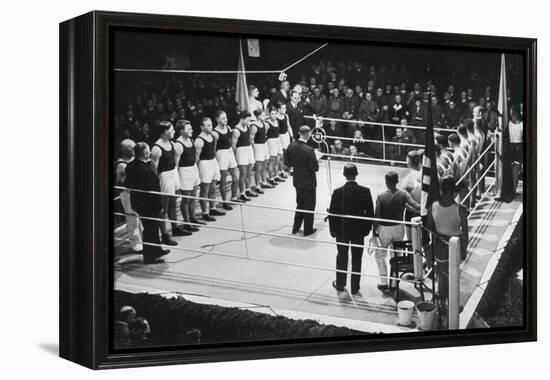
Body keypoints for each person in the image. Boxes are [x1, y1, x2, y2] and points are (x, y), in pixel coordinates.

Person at [425, 176, 469, 327]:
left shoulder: (433, 206)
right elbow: (465, 234)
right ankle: (452, 305)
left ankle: (442, 304)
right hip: (454, 246)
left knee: (442, 277)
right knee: (453, 276)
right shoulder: (461, 210)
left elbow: (430, 228)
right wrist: (464, 250)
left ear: (442, 190)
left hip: (440, 246)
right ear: (453, 190)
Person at [328, 164, 374, 295]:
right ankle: (355, 287)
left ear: (344, 174)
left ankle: (341, 283)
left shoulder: (337, 192)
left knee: (342, 257)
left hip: (342, 230)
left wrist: (333, 230)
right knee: (357, 258)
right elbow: (370, 212)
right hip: (358, 231)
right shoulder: (365, 191)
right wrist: (367, 229)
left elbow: (333, 213)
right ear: (356, 174)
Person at [122, 142, 171, 264]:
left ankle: (157, 250)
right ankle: (149, 257)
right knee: (150, 229)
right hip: (148, 204)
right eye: (148, 151)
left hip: (140, 203)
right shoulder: (142, 168)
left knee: (152, 228)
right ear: (145, 153)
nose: (149, 153)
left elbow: (127, 183)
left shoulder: (131, 165)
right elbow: (151, 186)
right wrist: (158, 204)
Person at [373, 171, 420, 291]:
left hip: (384, 228)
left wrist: (374, 232)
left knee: (380, 255)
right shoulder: (403, 194)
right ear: (397, 181)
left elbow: (377, 216)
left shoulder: (381, 196)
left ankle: (383, 282)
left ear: (386, 182)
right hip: (399, 227)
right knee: (396, 255)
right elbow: (416, 205)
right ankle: (394, 284)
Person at [283, 125, 319, 236]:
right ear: (308, 135)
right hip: (309, 181)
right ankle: (308, 230)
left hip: (297, 180)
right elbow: (315, 168)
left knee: (300, 204)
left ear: (299, 132)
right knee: (309, 205)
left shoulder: (291, 146)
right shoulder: (309, 150)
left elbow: (287, 163)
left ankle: (296, 228)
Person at [150, 122, 181, 245]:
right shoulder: (156, 149)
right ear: (164, 132)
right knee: (163, 208)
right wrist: (157, 185)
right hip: (164, 177)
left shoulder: (172, 143)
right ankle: (164, 235)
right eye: (172, 130)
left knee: (173, 204)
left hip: (173, 173)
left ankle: (175, 227)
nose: (174, 131)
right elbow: (154, 170)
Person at [174, 120, 202, 232]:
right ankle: (186, 222)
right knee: (186, 200)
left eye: (191, 128)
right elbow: (176, 164)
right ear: (181, 131)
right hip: (183, 171)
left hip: (193, 168)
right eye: (188, 129)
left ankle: (193, 217)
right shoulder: (178, 144)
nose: (192, 130)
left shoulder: (191, 140)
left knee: (193, 196)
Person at [115, 139, 143, 252]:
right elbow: (123, 181)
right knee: (132, 218)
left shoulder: (133, 160)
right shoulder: (121, 165)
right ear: (126, 150)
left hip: (136, 191)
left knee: (139, 217)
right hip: (127, 193)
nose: (135, 150)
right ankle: (136, 244)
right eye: (133, 148)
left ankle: (143, 241)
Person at [195, 117, 225, 221]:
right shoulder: (199, 140)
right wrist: (198, 170)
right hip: (204, 164)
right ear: (202, 127)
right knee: (204, 189)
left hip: (213, 162)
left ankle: (212, 208)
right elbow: (197, 158)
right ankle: (205, 212)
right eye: (208, 125)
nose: (210, 127)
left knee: (213, 188)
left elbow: (214, 149)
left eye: (211, 125)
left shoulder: (213, 136)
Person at [213, 110, 240, 208]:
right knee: (223, 180)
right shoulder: (215, 133)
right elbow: (214, 148)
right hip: (221, 154)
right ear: (217, 120)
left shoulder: (228, 128)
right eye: (223, 118)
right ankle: (224, 201)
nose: (225, 120)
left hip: (229, 152)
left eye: (226, 117)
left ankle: (234, 197)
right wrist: (216, 160)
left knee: (236, 177)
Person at [232, 111, 257, 201]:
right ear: (241, 119)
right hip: (241, 151)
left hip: (248, 149)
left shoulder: (247, 126)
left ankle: (247, 189)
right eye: (247, 120)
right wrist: (235, 157)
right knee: (243, 174)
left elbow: (249, 139)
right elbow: (233, 145)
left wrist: (252, 148)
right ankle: (242, 193)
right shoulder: (236, 130)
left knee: (249, 172)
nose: (248, 122)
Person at [401, 150, 422, 239]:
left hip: (411, 213)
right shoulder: (429, 176)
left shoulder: (407, 180)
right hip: (425, 211)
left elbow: (403, 201)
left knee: (411, 242)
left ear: (408, 162)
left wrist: (415, 210)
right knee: (426, 240)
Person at [250, 109, 270, 194]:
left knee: (265, 164)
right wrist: (254, 149)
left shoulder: (264, 124)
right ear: (258, 116)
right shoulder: (254, 126)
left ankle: (264, 181)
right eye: (262, 115)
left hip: (264, 145)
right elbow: (251, 139)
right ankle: (257, 185)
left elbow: (265, 134)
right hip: (258, 146)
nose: (264, 117)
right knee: (258, 167)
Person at [266, 104, 284, 186]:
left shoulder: (277, 121)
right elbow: (264, 135)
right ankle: (271, 177)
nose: (273, 115)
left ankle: (276, 175)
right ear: (269, 114)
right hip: (271, 142)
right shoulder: (267, 123)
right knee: (272, 161)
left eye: (275, 113)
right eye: (272, 113)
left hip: (277, 140)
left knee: (278, 159)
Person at [277, 101, 293, 179]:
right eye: (283, 108)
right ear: (278, 109)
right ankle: (281, 170)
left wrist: (291, 136)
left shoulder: (286, 116)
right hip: (278, 137)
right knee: (280, 154)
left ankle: (289, 167)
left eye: (285, 108)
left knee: (288, 152)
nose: (285, 109)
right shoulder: (275, 117)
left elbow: (289, 126)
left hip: (285, 135)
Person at [508, 111, 523, 194]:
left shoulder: (510, 123)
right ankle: (512, 189)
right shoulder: (511, 123)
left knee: (515, 170)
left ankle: (513, 189)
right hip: (516, 146)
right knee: (514, 170)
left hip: (516, 146)